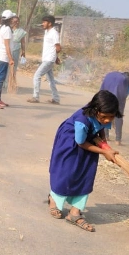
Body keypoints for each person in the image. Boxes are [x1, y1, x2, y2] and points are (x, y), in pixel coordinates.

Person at [48, 90, 121, 232]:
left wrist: (105, 145)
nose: (107, 120)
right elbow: (81, 142)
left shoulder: (104, 116)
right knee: (66, 175)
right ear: (95, 110)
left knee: (86, 176)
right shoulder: (82, 120)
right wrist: (104, 151)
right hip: (71, 144)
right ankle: (54, 199)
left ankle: (74, 213)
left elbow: (101, 129)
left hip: (89, 144)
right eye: (105, 116)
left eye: (111, 117)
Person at [27, 15, 61, 105]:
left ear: (49, 23)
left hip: (49, 59)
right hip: (47, 58)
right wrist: (56, 58)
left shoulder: (54, 33)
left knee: (37, 76)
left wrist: (55, 57)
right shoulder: (47, 32)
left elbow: (58, 47)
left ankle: (36, 97)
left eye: (44, 22)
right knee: (51, 80)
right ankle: (56, 99)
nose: (42, 24)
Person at [99, 72, 129, 145]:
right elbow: (125, 94)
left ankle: (106, 136)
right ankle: (118, 140)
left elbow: (103, 87)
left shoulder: (110, 75)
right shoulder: (126, 81)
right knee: (118, 116)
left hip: (106, 97)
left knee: (106, 114)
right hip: (118, 99)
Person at [0, 11, 15, 109]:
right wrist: (10, 58)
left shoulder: (1, 27)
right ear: (10, 19)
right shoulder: (7, 29)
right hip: (3, 56)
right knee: (0, 79)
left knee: (0, 78)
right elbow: (7, 45)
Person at [8, 15, 27, 91]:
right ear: (11, 21)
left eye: (18, 21)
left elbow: (23, 42)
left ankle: (11, 82)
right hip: (8, 50)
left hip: (16, 50)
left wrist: (23, 52)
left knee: (14, 67)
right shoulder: (8, 29)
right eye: (15, 21)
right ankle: (4, 82)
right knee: (6, 66)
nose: (17, 23)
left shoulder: (21, 32)